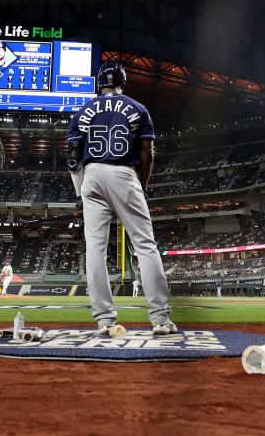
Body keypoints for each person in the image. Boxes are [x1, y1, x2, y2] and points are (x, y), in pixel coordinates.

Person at [67, 60, 176, 336]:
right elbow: (147, 152)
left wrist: (80, 195)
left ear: (99, 83)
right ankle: (160, 319)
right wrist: (142, 184)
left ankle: (104, 321)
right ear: (122, 82)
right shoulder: (138, 108)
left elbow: (72, 160)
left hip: (90, 175)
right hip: (123, 173)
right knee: (145, 246)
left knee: (96, 250)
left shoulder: (81, 112)